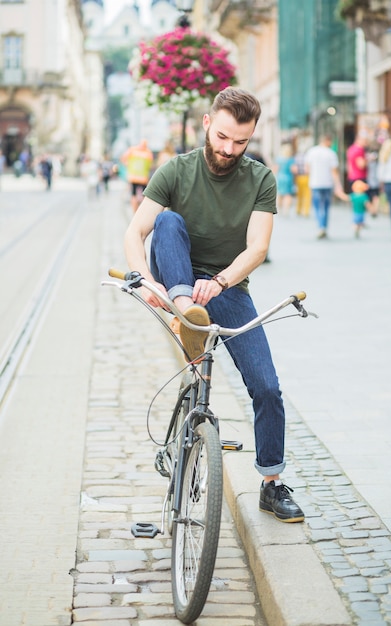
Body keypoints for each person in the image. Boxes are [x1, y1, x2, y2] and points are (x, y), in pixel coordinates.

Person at [124, 87, 304, 524]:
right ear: (207, 123)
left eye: (239, 142)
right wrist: (148, 282)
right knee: (167, 220)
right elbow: (136, 233)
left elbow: (257, 247)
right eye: (222, 136)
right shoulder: (176, 171)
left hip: (227, 289)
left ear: (251, 136)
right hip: (175, 275)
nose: (228, 149)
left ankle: (271, 483)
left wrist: (222, 281)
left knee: (267, 387)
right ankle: (185, 308)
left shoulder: (260, 179)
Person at [305, 134, 348, 239]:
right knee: (326, 206)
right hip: (327, 183)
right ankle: (324, 226)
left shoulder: (312, 152)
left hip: (315, 183)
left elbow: (307, 169)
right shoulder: (331, 153)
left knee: (317, 206)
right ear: (328, 141)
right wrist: (338, 185)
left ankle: (320, 226)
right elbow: (334, 172)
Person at [121, 139, 154, 213]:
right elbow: (151, 165)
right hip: (143, 178)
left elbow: (123, 158)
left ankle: (134, 212)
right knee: (144, 195)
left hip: (133, 177)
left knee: (134, 195)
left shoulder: (132, 150)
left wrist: (127, 164)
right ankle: (142, 212)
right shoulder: (148, 152)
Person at [274, 143, 295, 216]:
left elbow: (275, 169)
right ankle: (286, 210)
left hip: (280, 177)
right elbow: (293, 170)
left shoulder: (278, 159)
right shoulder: (291, 159)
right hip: (288, 177)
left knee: (280, 193)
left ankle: (279, 208)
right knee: (287, 194)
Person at [293, 148, 311, 217]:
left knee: (299, 195)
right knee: (307, 195)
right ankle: (306, 211)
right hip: (306, 177)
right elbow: (308, 169)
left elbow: (294, 169)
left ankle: (298, 210)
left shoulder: (296, 158)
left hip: (298, 177)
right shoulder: (308, 158)